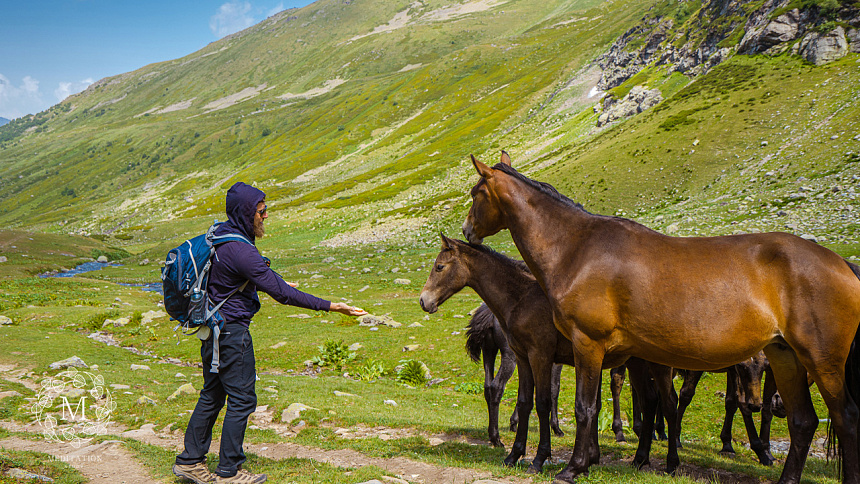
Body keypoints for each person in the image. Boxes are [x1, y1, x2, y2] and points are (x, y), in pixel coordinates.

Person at [173, 182, 367, 484]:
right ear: (247, 213)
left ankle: (190, 461)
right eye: (261, 211)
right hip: (231, 334)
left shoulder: (222, 236)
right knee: (242, 399)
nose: (266, 216)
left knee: (212, 395)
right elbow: (283, 294)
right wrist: (333, 306)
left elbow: (262, 276)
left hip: (212, 331)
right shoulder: (241, 250)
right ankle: (230, 471)